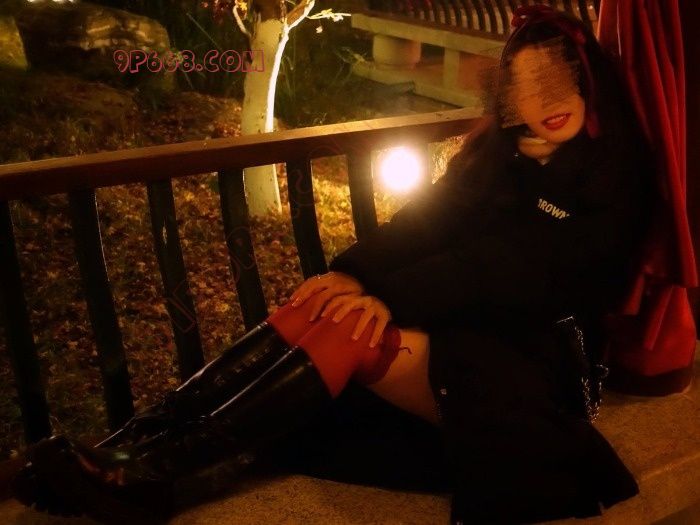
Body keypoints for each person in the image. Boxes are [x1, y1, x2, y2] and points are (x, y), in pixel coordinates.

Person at [12, 5, 657, 524]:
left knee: (352, 327)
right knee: (320, 302)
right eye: (527, 84)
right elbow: (425, 222)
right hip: (466, 327)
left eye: (559, 80)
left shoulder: (611, 173)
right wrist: (352, 272)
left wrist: (390, 297)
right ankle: (133, 445)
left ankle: (155, 474)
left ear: (586, 81)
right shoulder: (499, 156)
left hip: (539, 360)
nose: (546, 99)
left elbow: (507, 270)